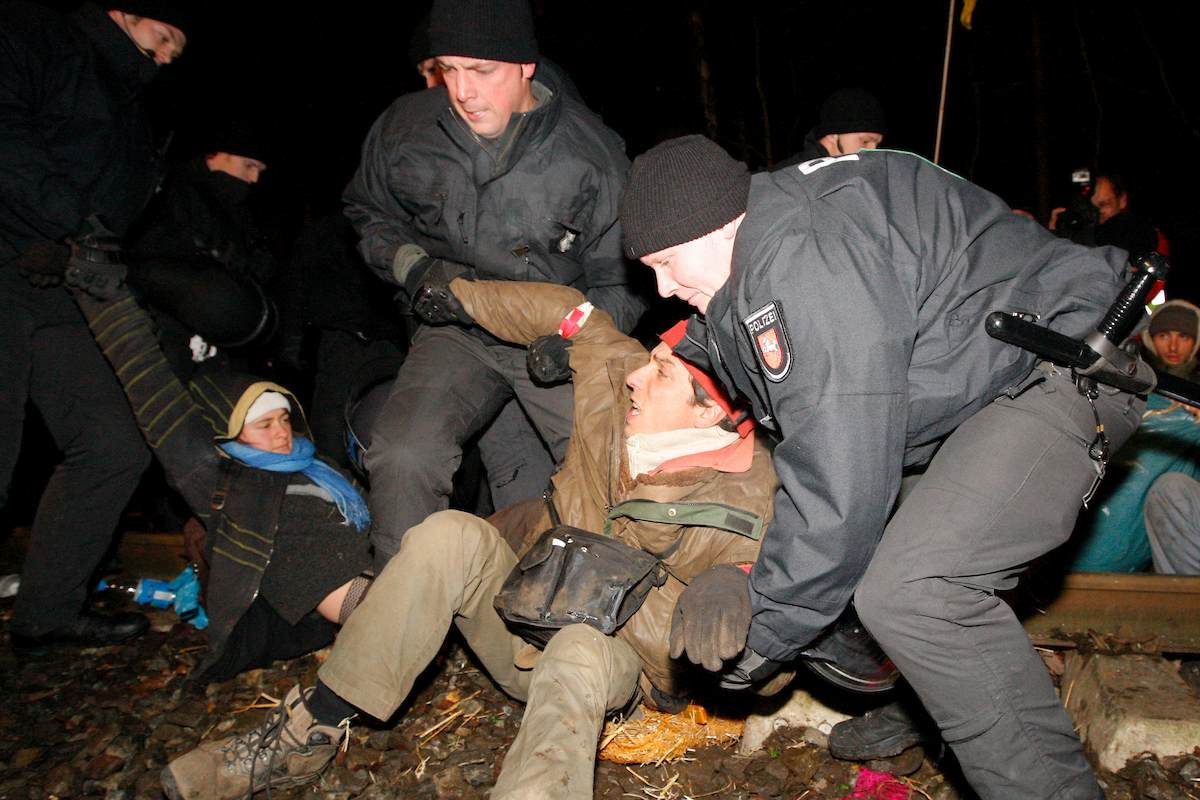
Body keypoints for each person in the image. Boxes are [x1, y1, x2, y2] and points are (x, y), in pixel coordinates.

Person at [619, 135, 1143, 799]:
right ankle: (935, 703)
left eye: (667, 262)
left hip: (1061, 362)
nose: (663, 287)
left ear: (719, 223)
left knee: (917, 591)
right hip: (977, 376)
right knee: (870, 567)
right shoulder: (759, 242)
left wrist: (763, 635)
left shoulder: (807, 266)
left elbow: (839, 478)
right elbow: (781, 406)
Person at [160, 276, 778, 800]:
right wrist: (456, 294)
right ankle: (309, 732)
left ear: (709, 413)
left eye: (662, 374)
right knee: (448, 533)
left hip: (612, 670)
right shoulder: (618, 387)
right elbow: (572, 313)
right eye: (652, 359)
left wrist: (737, 586)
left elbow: (782, 647)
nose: (637, 376)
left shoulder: (750, 500)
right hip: (527, 617)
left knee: (580, 649)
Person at [343, 0, 645, 569]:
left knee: (608, 473)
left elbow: (622, 281)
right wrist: (410, 265)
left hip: (555, 336)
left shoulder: (591, 155)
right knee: (403, 454)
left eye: (482, 71)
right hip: (457, 325)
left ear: (526, 66)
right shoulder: (408, 126)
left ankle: (595, 609)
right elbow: (367, 209)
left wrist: (571, 343)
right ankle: (404, 605)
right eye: (449, 70)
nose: (462, 91)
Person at [0, 0, 189, 651]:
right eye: (163, 36)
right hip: (11, 258)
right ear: (124, 12)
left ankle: (47, 612)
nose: (166, 57)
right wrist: (66, 222)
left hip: (66, 283)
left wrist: (99, 251)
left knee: (113, 442)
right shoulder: (33, 33)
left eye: (177, 50)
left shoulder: (130, 99)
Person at [70, 282, 375, 682]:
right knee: (406, 608)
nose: (282, 433)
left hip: (370, 562)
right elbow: (152, 391)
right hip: (325, 585)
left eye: (284, 419)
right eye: (264, 424)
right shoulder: (216, 475)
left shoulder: (318, 463)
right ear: (230, 431)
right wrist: (105, 297)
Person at [125, 124, 277, 379]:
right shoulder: (171, 189)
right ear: (217, 154)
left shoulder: (239, 212)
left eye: (260, 171)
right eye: (249, 165)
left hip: (218, 340)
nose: (254, 178)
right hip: (165, 332)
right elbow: (149, 257)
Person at [1051, 172, 1165, 259]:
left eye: (1103, 205)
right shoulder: (1077, 229)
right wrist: (1053, 234)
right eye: (1089, 207)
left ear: (1122, 200)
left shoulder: (1135, 230)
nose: (1096, 213)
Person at [775, 87, 887, 169]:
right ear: (833, 135)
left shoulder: (861, 173)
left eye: (877, 144)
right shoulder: (785, 178)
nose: (873, 150)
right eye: (865, 141)